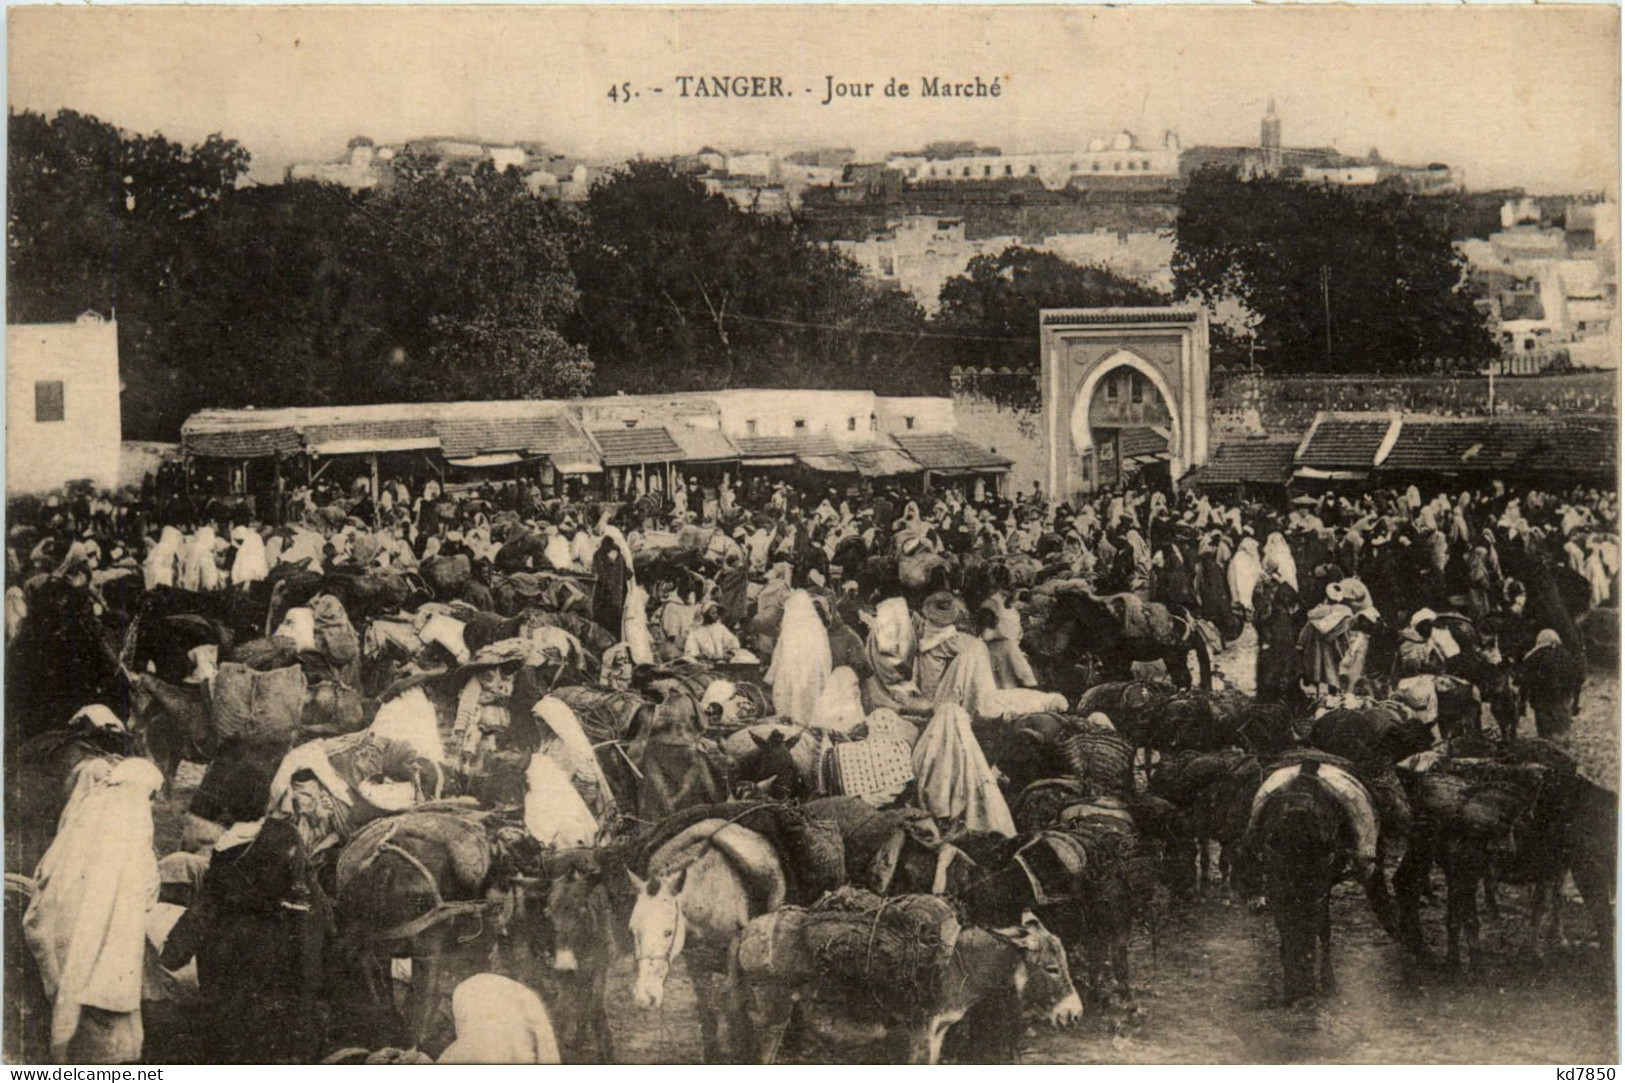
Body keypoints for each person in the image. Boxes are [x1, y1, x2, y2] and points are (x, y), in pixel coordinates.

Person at [24, 758, 165, 1063]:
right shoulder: (126, 838)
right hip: (99, 970)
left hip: (73, 959)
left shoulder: (83, 827)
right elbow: (125, 904)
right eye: (152, 796)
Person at [1519, 628, 1585, 738]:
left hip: (1541, 700)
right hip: (1562, 697)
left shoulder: (1532, 656)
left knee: (1545, 731)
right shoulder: (1567, 656)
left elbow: (1524, 682)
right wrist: (1575, 702)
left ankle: (1547, 743)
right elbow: (1578, 678)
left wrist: (1522, 705)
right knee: (1561, 730)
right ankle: (1561, 741)